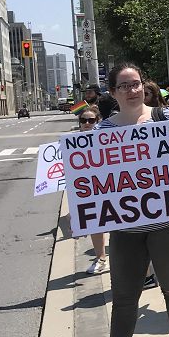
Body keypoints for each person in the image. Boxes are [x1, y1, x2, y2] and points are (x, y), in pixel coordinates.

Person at [75, 63, 169, 337]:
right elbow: (96, 180)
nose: (132, 90)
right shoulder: (103, 131)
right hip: (126, 228)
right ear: (112, 92)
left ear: (144, 86)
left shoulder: (167, 118)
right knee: (124, 296)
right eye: (124, 86)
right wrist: (82, 209)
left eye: (136, 84)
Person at [77, 104, 108, 274]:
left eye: (91, 120)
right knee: (95, 224)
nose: (87, 123)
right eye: (83, 120)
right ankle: (101, 259)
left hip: (110, 186)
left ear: (98, 121)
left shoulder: (108, 138)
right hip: (89, 189)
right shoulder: (72, 143)